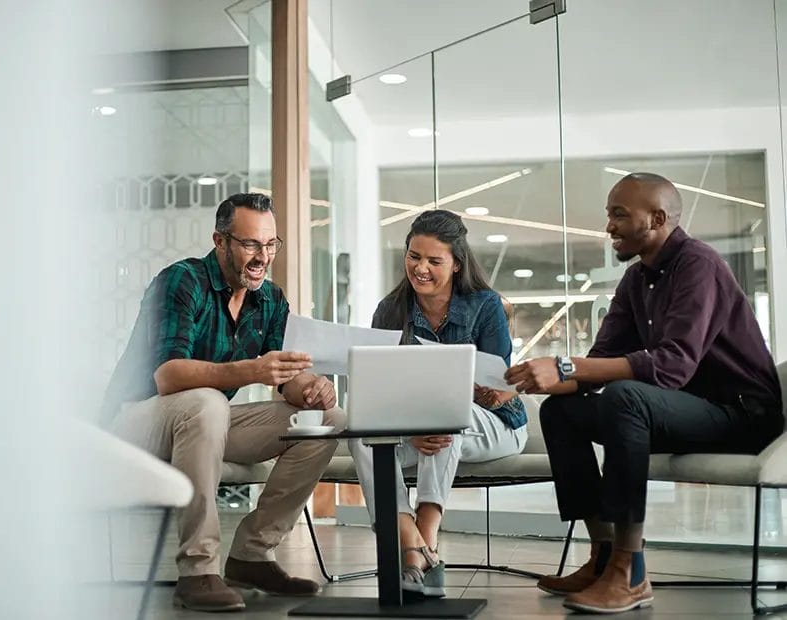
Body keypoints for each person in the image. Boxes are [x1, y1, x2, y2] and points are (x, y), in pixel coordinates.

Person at [505, 173, 783, 615]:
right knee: (563, 411)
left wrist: (565, 365)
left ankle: (630, 571)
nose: (609, 226)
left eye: (619, 214)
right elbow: (599, 364)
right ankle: (601, 555)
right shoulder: (637, 280)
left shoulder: (699, 265)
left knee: (625, 397)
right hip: (682, 409)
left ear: (656, 219)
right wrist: (529, 380)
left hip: (742, 415)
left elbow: (671, 365)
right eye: (609, 215)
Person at [101, 192, 346, 612]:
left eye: (270, 245)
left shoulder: (270, 299)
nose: (262, 257)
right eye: (251, 244)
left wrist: (310, 387)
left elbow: (281, 376)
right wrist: (255, 369)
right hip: (136, 422)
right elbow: (168, 376)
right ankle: (197, 570)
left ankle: (252, 554)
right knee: (207, 402)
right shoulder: (181, 281)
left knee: (327, 418)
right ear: (220, 241)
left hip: (202, 421)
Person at [349, 209, 528, 597]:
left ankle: (421, 542)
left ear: (457, 263)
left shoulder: (485, 305)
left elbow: (500, 382)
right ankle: (413, 544)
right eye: (414, 257)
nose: (421, 268)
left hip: (493, 424)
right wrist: (410, 428)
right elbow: (381, 387)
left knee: (443, 414)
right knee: (361, 435)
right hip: (418, 428)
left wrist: (480, 392)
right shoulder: (390, 309)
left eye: (434, 260)